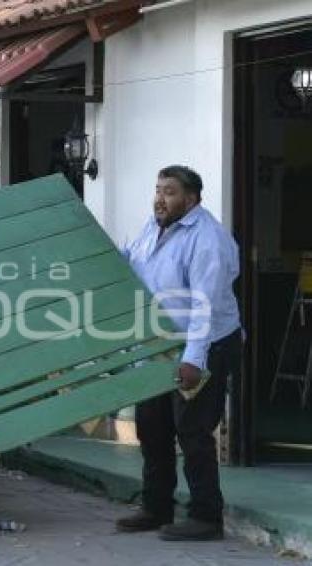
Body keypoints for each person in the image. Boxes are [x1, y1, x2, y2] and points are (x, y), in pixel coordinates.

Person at [116, 165, 242, 541]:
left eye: (169, 192)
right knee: (152, 428)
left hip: (205, 345)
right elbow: (131, 266)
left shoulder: (207, 240)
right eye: (157, 190)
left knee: (193, 432)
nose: (159, 198)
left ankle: (206, 517)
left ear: (191, 198)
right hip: (159, 345)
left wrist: (194, 359)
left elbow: (203, 305)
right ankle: (157, 508)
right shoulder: (151, 230)